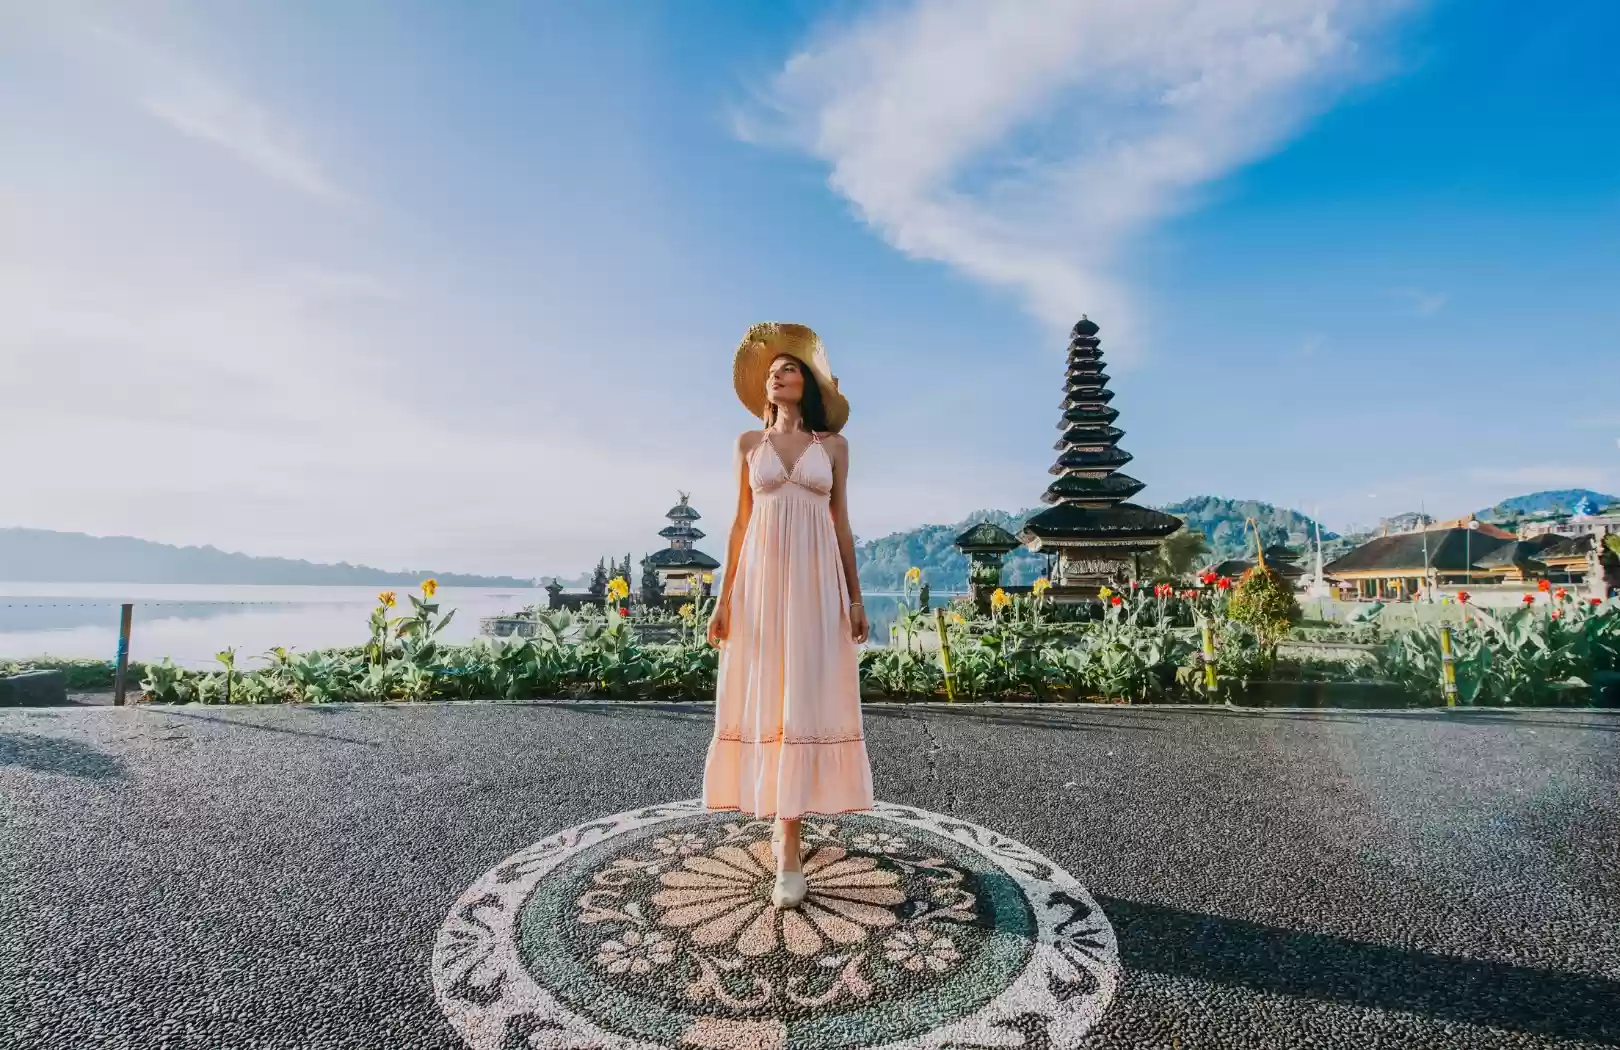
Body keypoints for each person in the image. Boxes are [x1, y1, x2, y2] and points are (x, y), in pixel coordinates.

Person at [703, 322, 875, 910]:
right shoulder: (748, 445)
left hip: (815, 585)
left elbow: (841, 522)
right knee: (768, 694)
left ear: (809, 382)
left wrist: (855, 596)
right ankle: (781, 838)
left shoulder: (834, 448)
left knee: (805, 694)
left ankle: (792, 838)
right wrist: (723, 598)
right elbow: (739, 523)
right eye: (774, 370)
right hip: (760, 582)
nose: (781, 374)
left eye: (792, 367)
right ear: (765, 388)